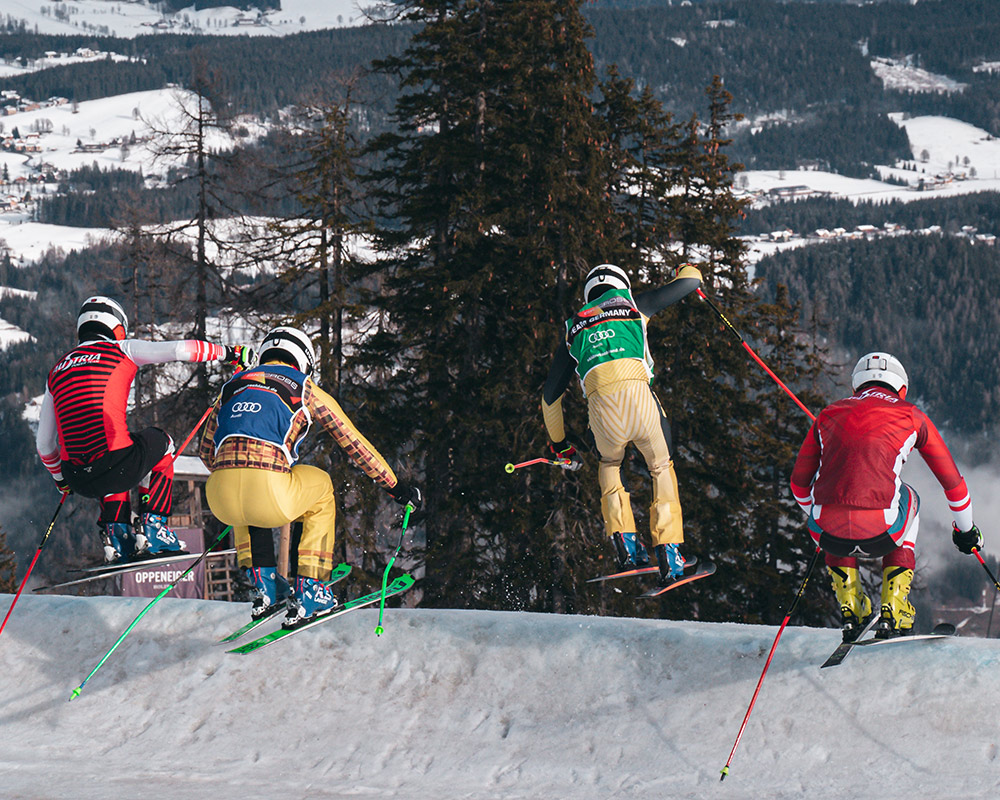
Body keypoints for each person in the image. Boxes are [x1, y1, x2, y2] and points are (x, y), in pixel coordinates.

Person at [198, 325, 421, 628]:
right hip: (270, 493)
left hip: (220, 499)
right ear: (303, 361)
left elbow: (206, 453)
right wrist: (394, 486)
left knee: (243, 486)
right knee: (321, 487)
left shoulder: (231, 386)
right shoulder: (303, 387)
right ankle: (310, 588)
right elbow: (352, 442)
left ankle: (263, 587)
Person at [36, 295, 255, 564]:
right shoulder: (121, 349)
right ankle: (154, 527)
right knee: (161, 443)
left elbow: (44, 444)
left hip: (79, 478)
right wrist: (229, 353)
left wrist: (62, 480)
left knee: (112, 455)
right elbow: (180, 351)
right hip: (115, 464)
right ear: (116, 327)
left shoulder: (56, 371)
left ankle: (117, 533)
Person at [790, 352, 981, 640]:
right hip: (883, 530)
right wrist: (966, 532)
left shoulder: (827, 414)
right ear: (901, 389)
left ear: (856, 387)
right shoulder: (912, 415)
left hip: (826, 534)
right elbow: (953, 484)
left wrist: (821, 518)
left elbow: (799, 485)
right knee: (910, 496)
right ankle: (895, 607)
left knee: (831, 500)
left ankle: (851, 606)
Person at [541, 263, 702, 586]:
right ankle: (670, 554)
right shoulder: (633, 304)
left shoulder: (573, 329)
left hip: (602, 415)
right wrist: (685, 268)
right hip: (641, 402)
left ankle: (628, 550)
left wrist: (560, 444)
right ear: (620, 284)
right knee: (660, 467)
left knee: (610, 466)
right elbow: (690, 282)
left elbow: (549, 398)